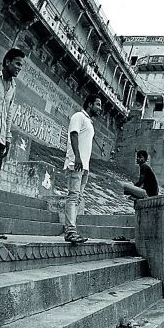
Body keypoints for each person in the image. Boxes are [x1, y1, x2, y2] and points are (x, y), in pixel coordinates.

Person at [63, 94, 102, 243]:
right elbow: (73, 135)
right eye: (97, 105)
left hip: (84, 167)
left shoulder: (89, 122)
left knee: (77, 198)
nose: (100, 109)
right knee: (73, 196)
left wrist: (85, 165)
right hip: (76, 163)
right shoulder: (78, 116)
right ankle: (70, 231)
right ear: (90, 104)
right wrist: (77, 157)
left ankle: (72, 230)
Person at [0, 47, 24, 239]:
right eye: (17, 63)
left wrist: (7, 139)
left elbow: (8, 114)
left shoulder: (13, 87)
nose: (19, 68)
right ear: (7, 62)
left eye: (21, 65)